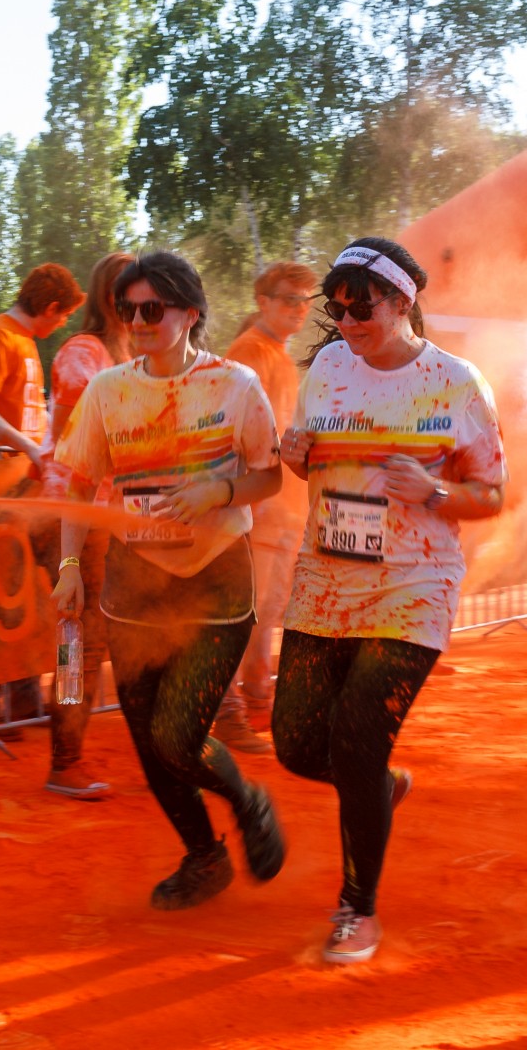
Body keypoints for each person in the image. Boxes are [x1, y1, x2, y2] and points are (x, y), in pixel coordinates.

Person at [275, 237, 506, 964]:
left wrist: (437, 492)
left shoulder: (457, 383)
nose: (346, 321)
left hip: (414, 583)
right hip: (325, 578)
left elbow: (492, 493)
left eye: (362, 306)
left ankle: (357, 910)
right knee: (296, 744)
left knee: (356, 737)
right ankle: (377, 785)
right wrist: (297, 456)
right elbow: (314, 460)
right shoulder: (328, 370)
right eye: (336, 308)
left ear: (403, 302)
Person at [53, 251, 286, 908]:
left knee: (177, 735)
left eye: (152, 309)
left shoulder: (236, 385)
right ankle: (202, 856)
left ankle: (247, 802)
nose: (138, 321)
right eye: (129, 310)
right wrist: (70, 567)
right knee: (148, 745)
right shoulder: (109, 390)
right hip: (133, 584)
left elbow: (269, 474)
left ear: (189, 312)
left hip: (213, 581)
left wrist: (219, 488)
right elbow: (75, 485)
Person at [0, 263, 85, 737]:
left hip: (19, 489)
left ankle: (20, 695)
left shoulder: (25, 342)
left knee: (25, 594)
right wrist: (29, 447)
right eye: (64, 315)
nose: (63, 324)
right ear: (50, 307)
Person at [211, 261, 320, 754]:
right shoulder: (249, 353)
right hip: (259, 509)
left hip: (283, 507)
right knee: (245, 614)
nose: (299, 308)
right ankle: (227, 711)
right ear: (263, 300)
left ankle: (257, 693)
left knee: (267, 612)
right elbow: (235, 433)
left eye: (305, 300)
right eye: (289, 298)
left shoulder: (276, 354)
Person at [37, 252, 134, 799]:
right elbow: (92, 426)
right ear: (110, 296)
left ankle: (73, 756)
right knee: (78, 640)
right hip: (77, 516)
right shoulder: (83, 352)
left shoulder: (127, 353)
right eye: (134, 293)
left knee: (103, 636)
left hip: (113, 516)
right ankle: (64, 760)